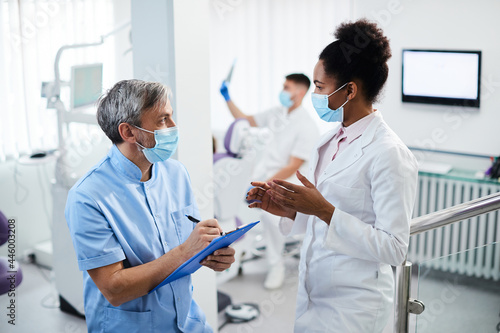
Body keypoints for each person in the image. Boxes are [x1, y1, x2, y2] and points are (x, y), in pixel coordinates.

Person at [246, 19, 418, 332]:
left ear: (350, 90)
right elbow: (324, 214)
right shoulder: (329, 140)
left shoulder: (389, 153)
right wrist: (290, 209)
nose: (313, 94)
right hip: (315, 292)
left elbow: (394, 247)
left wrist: (324, 210)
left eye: (320, 87)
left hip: (357, 306)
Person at [65, 80, 235, 333]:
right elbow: (115, 288)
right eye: (163, 120)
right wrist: (186, 251)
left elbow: (187, 247)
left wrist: (212, 254)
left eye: (171, 116)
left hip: (187, 321)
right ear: (129, 132)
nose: (174, 127)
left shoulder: (176, 173)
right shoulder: (88, 196)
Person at [220, 74, 319, 289]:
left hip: (288, 180)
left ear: (299, 93)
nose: (282, 91)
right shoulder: (276, 113)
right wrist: (227, 97)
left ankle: (276, 265)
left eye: (287, 87)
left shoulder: (307, 126)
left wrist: (266, 183)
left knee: (270, 216)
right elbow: (245, 119)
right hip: (266, 176)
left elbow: (293, 165)